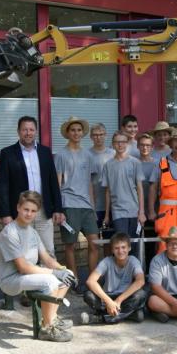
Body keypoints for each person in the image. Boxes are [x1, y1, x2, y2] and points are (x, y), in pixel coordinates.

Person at [0, 191, 76, 342]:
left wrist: (63, 271)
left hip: (27, 275)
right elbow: (22, 267)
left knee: (68, 274)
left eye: (33, 211)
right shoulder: (10, 232)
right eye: (26, 209)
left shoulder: (32, 232)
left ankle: (50, 318)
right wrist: (54, 273)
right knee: (50, 281)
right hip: (11, 279)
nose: (29, 214)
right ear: (18, 207)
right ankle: (46, 329)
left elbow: (47, 259)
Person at [0, 116, 64, 257]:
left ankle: (49, 279)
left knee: (48, 251)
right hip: (22, 211)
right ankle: (28, 279)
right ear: (18, 131)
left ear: (36, 132)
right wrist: (6, 214)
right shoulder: (7, 153)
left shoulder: (45, 152)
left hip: (43, 211)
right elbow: (2, 186)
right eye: (24, 130)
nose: (28, 133)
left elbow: (53, 183)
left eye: (31, 129)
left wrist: (58, 208)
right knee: (25, 253)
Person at [54, 116, 100, 291]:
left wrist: (93, 207)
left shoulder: (88, 155)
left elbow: (89, 183)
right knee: (70, 244)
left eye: (79, 130)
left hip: (86, 206)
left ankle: (92, 280)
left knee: (94, 243)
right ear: (67, 133)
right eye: (73, 130)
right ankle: (73, 280)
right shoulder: (60, 155)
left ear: (83, 133)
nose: (76, 133)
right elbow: (57, 184)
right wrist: (59, 209)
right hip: (69, 204)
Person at [81, 232, 147, 324]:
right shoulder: (106, 261)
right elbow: (90, 281)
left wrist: (118, 300)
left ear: (129, 248)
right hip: (108, 296)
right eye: (116, 248)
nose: (120, 251)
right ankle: (130, 314)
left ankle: (100, 318)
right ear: (112, 250)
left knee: (141, 294)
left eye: (123, 247)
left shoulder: (133, 261)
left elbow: (140, 281)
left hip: (125, 298)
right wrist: (109, 302)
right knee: (88, 295)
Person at [101, 132, 146, 256]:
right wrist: (106, 215)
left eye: (123, 142)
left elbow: (140, 188)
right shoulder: (108, 165)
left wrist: (141, 212)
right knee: (122, 245)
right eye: (117, 142)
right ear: (113, 144)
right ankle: (123, 274)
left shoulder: (135, 163)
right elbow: (107, 191)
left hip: (134, 210)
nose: (120, 144)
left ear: (127, 143)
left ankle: (135, 275)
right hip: (118, 211)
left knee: (134, 246)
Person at [88, 122, 116, 244]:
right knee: (94, 242)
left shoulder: (113, 154)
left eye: (101, 134)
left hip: (113, 205)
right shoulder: (86, 155)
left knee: (109, 242)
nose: (98, 137)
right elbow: (87, 182)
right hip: (95, 205)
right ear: (91, 137)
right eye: (95, 135)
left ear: (106, 135)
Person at [136, 133, 159, 269]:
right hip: (136, 209)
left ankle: (151, 273)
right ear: (138, 146)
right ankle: (137, 273)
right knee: (136, 244)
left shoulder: (158, 164)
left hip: (153, 210)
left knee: (151, 243)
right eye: (142, 145)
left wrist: (153, 210)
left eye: (148, 145)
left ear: (152, 147)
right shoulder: (133, 162)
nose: (145, 147)